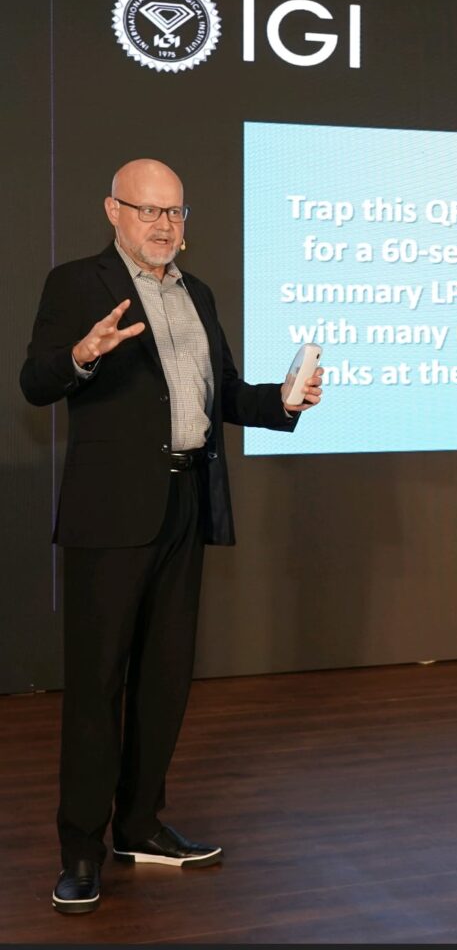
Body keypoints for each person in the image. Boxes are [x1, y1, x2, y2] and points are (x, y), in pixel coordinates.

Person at [19, 158, 323, 914]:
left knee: (164, 681)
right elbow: (35, 380)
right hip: (109, 517)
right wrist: (82, 356)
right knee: (96, 688)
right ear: (113, 211)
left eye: (175, 212)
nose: (163, 225)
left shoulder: (199, 293)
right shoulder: (76, 283)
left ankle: (140, 827)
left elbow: (224, 395)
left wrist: (285, 401)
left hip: (185, 504)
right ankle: (81, 850)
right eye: (148, 210)